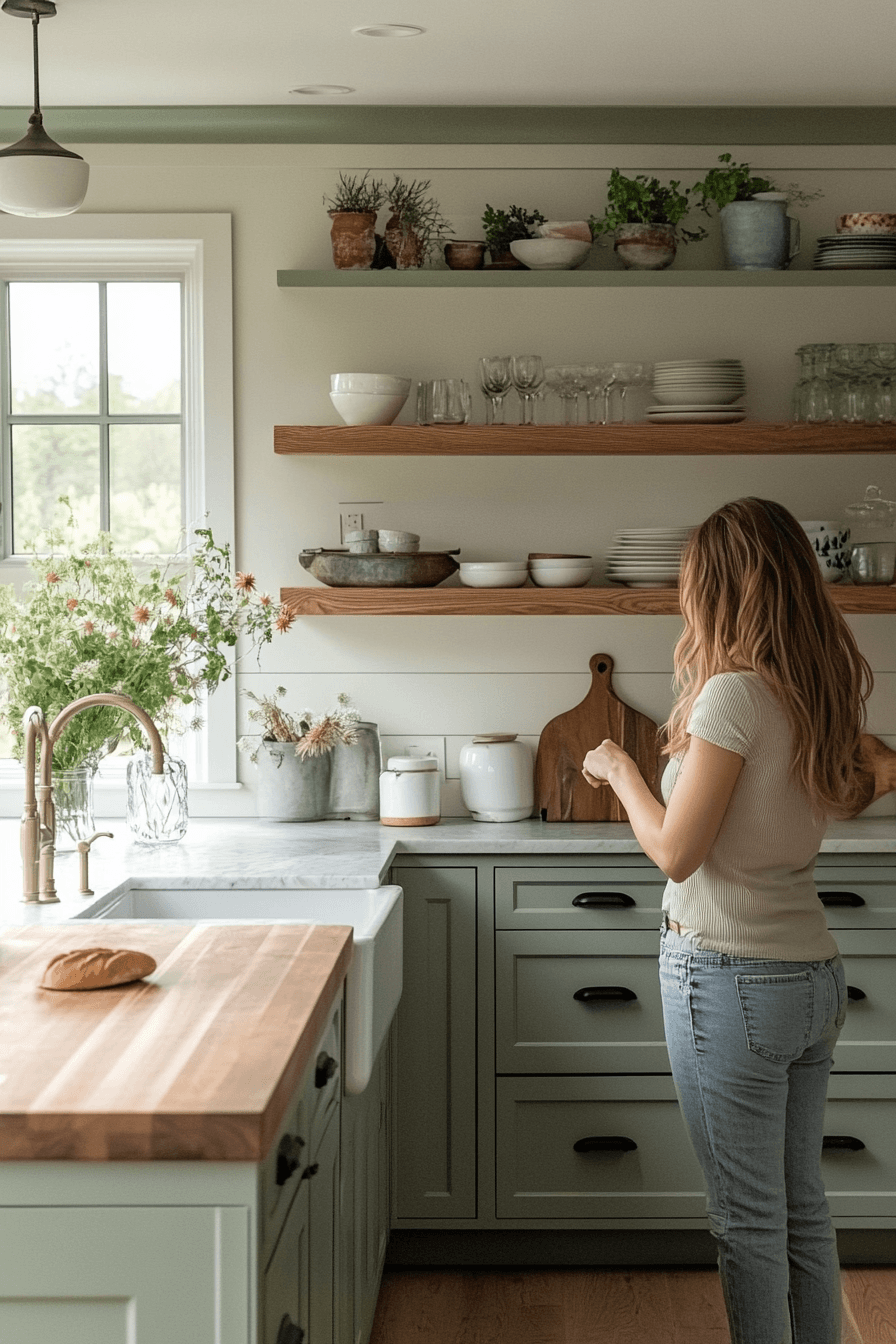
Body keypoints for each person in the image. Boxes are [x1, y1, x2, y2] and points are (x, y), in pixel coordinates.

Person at [582, 497, 873, 1344]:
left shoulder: (732, 697)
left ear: (718, 587)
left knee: (747, 1220)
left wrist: (622, 771)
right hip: (810, 976)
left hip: (730, 980)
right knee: (800, 1209)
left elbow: (677, 853)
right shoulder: (814, 690)